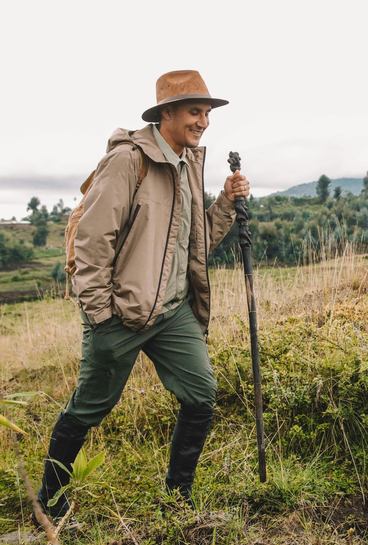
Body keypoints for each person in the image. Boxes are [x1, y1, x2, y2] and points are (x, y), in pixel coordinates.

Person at [35, 70, 250, 522]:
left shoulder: (189, 163)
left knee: (201, 396)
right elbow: (93, 241)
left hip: (172, 313)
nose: (204, 122)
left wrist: (226, 203)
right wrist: (99, 313)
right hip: (120, 315)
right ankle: (49, 501)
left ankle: (177, 498)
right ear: (166, 113)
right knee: (89, 408)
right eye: (195, 111)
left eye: (207, 113)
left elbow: (196, 242)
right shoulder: (127, 161)